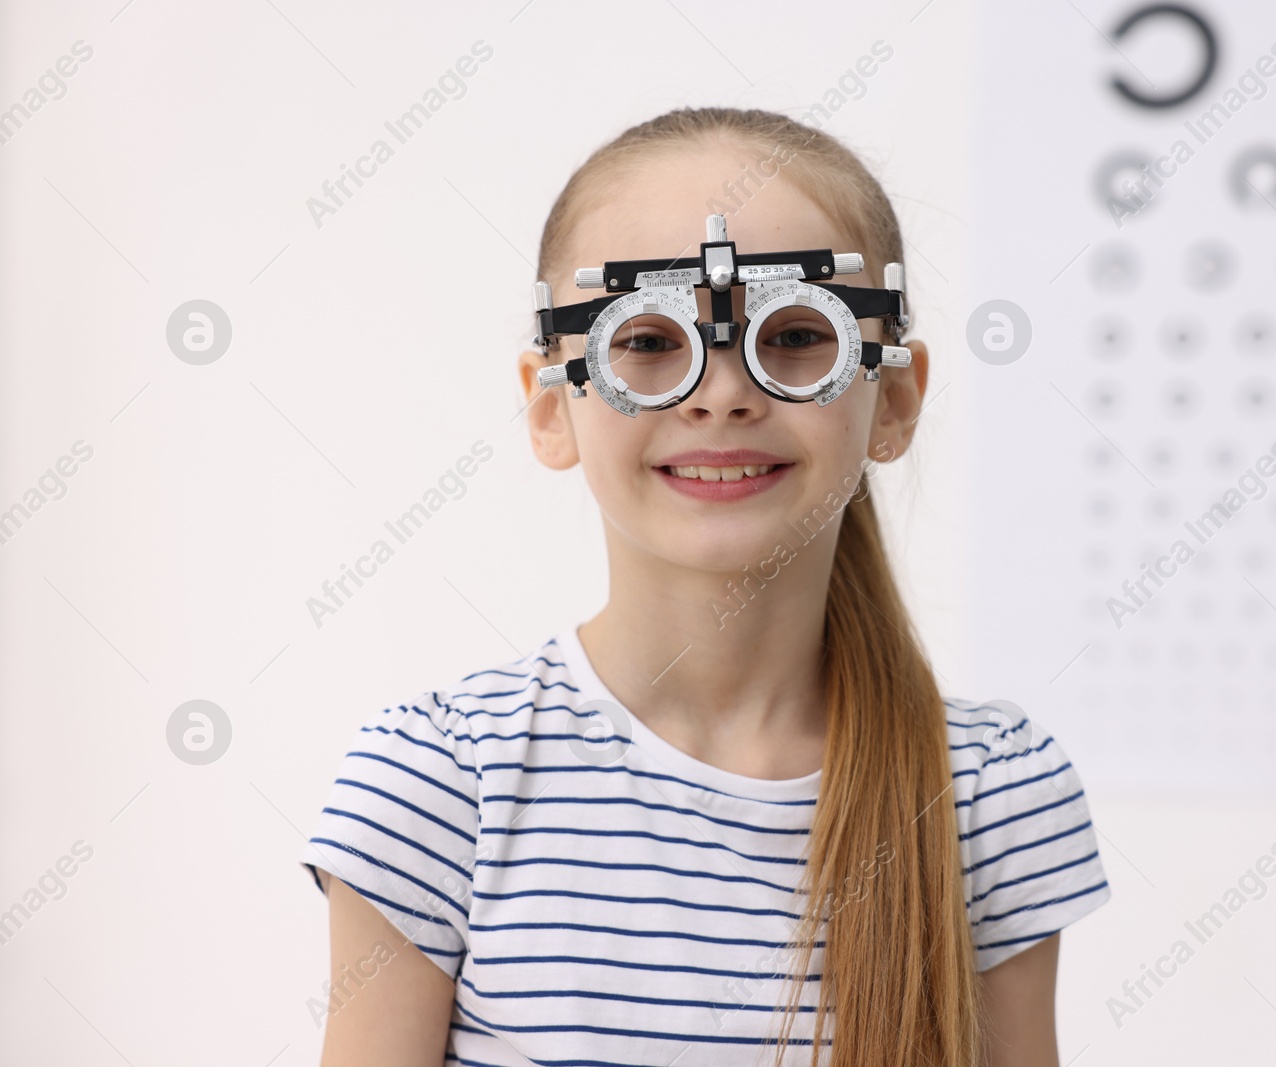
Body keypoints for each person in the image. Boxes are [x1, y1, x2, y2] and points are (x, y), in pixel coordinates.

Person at [301, 105, 1110, 1067]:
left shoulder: (989, 792)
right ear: (551, 406)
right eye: (646, 342)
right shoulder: (442, 782)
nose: (721, 390)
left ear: (892, 400)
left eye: (795, 335)